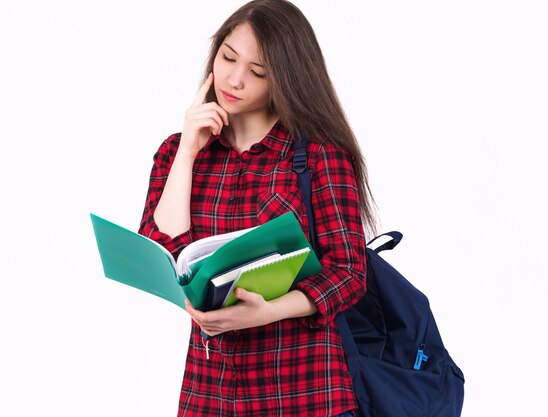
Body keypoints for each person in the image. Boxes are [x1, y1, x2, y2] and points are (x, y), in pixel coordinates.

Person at [138, 1, 376, 416]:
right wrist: (188, 152)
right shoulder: (178, 152)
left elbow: (350, 273)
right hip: (209, 392)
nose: (234, 79)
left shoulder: (318, 154)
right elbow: (164, 250)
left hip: (304, 393)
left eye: (258, 72)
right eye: (228, 57)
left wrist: (266, 313)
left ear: (285, 79)